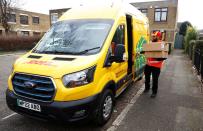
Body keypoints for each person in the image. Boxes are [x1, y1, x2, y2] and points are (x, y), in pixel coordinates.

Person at [144, 31, 165, 98]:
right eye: (152, 36)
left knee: (155, 79)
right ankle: (147, 88)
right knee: (147, 77)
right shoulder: (151, 43)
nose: (152, 37)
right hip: (148, 64)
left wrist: (155, 61)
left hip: (156, 66)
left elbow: (163, 57)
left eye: (154, 36)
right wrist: (142, 53)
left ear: (158, 36)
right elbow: (147, 52)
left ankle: (154, 92)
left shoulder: (161, 44)